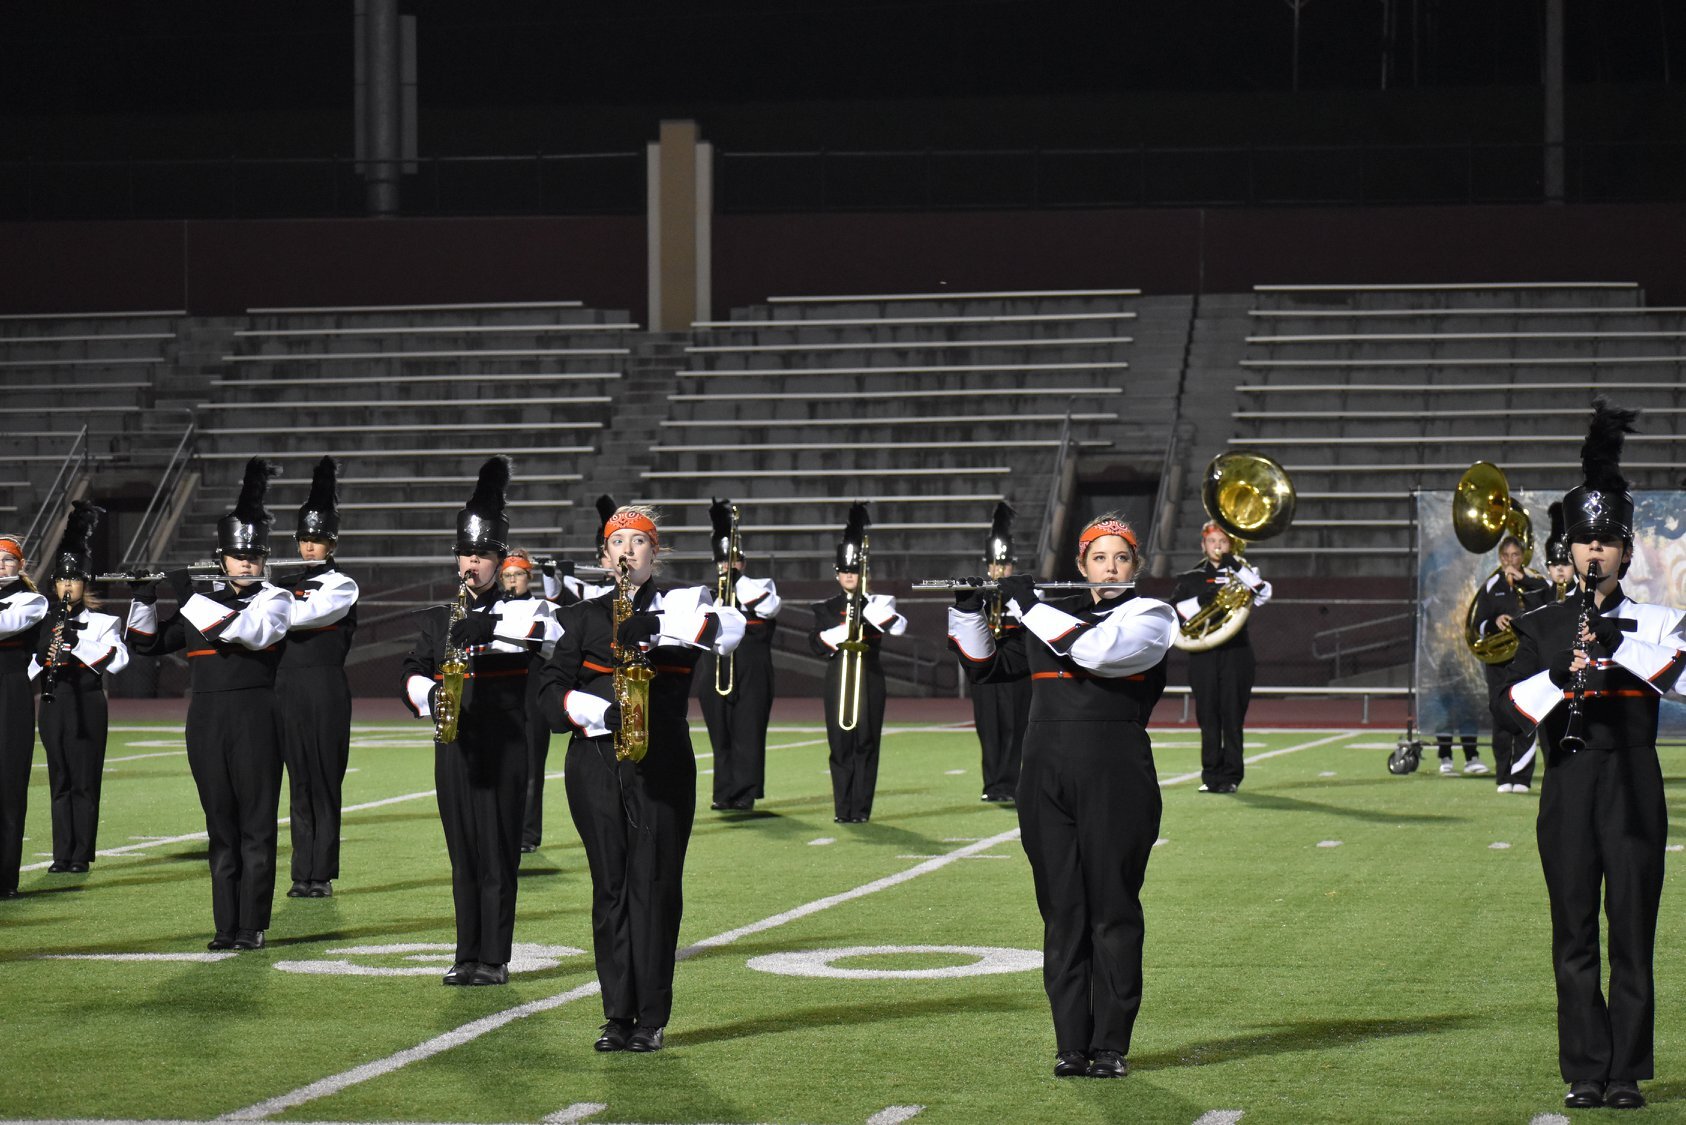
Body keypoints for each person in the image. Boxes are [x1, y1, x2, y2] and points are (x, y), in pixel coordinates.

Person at [1495, 400, 1684, 1112]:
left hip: (1635, 781)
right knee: (1572, 930)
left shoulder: (1659, 622)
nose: (1596, 550)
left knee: (1633, 931)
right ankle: (1584, 1067)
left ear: (1627, 550)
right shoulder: (1542, 624)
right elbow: (1508, 711)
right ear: (1568, 550)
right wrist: (1560, 675)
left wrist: (1618, 647)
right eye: (1585, 540)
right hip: (1569, 783)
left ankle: (1627, 1070)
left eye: (1608, 540)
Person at [948, 513, 1176, 1079]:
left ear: (1135, 566)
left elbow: (1093, 651)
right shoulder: (1051, 617)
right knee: (1063, 912)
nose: (1110, 567)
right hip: (1043, 775)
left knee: (1113, 911)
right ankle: (1070, 1043)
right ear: (1081, 566)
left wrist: (1026, 603)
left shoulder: (1149, 616)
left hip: (1115, 774)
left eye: (1121, 558)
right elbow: (985, 667)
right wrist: (967, 608)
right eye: (1099, 558)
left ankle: (1111, 1045)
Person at [538, 504, 744, 1052]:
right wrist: (598, 712)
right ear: (604, 557)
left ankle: (650, 1017)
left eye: (639, 542)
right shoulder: (581, 617)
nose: (627, 551)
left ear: (657, 551)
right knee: (609, 889)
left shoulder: (683, 603)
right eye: (618, 543)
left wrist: (655, 624)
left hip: (663, 762)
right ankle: (616, 1014)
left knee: (654, 886)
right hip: (595, 764)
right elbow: (549, 692)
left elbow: (730, 630)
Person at [400, 457, 559, 986]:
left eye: (482, 556)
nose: (471, 564)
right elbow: (412, 670)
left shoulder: (524, 611)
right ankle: (465, 951)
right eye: (465, 555)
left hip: (504, 743)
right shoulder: (438, 619)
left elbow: (542, 638)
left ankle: (495, 956)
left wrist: (485, 630)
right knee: (462, 851)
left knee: (496, 852)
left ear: (499, 560)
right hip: (454, 744)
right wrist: (428, 695)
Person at [127, 458, 293, 950]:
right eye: (238, 556)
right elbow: (147, 645)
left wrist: (186, 596)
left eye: (254, 555)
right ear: (221, 558)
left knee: (256, 825)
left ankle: (253, 926)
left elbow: (243, 631)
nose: (246, 563)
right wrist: (143, 597)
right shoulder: (203, 603)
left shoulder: (275, 600)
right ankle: (225, 926)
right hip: (205, 719)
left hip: (256, 718)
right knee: (219, 825)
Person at [31, 500, 130, 875]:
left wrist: (76, 643)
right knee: (60, 780)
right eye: (60, 580)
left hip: (89, 704)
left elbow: (118, 661)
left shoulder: (105, 621)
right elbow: (27, 669)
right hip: (54, 705)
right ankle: (61, 853)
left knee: (85, 780)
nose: (66, 586)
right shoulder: (43, 620)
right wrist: (45, 654)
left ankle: (80, 855)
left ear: (84, 583)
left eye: (73, 580)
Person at [277, 457, 359, 898]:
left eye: (318, 540)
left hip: (325, 687)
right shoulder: (279, 583)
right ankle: (299, 871)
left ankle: (321, 872)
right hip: (286, 686)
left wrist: (265, 603)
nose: (310, 547)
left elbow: (301, 617)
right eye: (304, 540)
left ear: (332, 542)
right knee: (299, 779)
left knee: (325, 779)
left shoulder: (343, 584)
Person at [809, 503, 906, 824]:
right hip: (838, 674)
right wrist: (842, 629)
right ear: (837, 574)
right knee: (840, 743)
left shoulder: (878, 603)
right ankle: (842, 808)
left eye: (855, 572)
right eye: (845, 572)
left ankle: (861, 809)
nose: (849, 576)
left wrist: (866, 607)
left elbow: (898, 626)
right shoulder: (826, 607)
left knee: (866, 741)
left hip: (869, 673)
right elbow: (817, 643)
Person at [1168, 521, 1272, 793]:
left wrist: (1236, 566)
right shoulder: (1190, 577)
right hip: (1203, 653)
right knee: (1208, 715)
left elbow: (1263, 593)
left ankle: (1232, 777)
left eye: (1223, 542)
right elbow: (1172, 612)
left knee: (1232, 715)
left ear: (1231, 545)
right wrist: (1201, 601)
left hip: (1236, 653)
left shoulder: (1244, 574)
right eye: (1212, 542)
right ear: (1203, 545)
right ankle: (1211, 775)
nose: (1217, 547)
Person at [697, 498, 781, 813]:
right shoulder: (708, 594)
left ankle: (745, 792)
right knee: (720, 732)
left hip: (751, 667)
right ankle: (723, 791)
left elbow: (769, 607)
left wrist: (736, 583)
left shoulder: (759, 586)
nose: (725, 567)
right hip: (715, 666)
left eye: (731, 561)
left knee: (747, 729)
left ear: (742, 562)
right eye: (721, 562)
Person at [1469, 534, 1549, 792]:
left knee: (1526, 713)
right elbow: (1477, 622)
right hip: (1499, 661)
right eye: (1506, 556)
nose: (1510, 560)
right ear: (1500, 558)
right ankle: (1503, 775)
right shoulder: (1492, 584)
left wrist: (1522, 581)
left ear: (1523, 556)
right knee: (1500, 715)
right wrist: (1495, 622)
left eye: (1515, 555)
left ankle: (1522, 776)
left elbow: (1546, 603)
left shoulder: (1536, 580)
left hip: (1527, 659)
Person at [963, 501, 1030, 803]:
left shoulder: (1028, 594)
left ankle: (1011, 783)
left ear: (1013, 566)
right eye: (993, 565)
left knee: (1016, 724)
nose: (998, 570)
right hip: (987, 668)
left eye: (1003, 565)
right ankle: (991, 784)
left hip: (1016, 670)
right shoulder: (978, 593)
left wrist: (1011, 596)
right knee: (988, 726)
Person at [0, 532, 49, 899]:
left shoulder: (32, 601)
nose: (1, 566)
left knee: (8, 784)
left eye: (8, 559)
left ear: (21, 565)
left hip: (9, 690)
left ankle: (4, 878)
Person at [498, 548, 555, 853]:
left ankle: (528, 834)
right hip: (504, 692)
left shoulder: (542, 607)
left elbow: (541, 642)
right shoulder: (493, 605)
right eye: (507, 575)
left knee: (533, 766)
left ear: (528, 577)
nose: (512, 581)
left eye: (518, 574)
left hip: (532, 693)